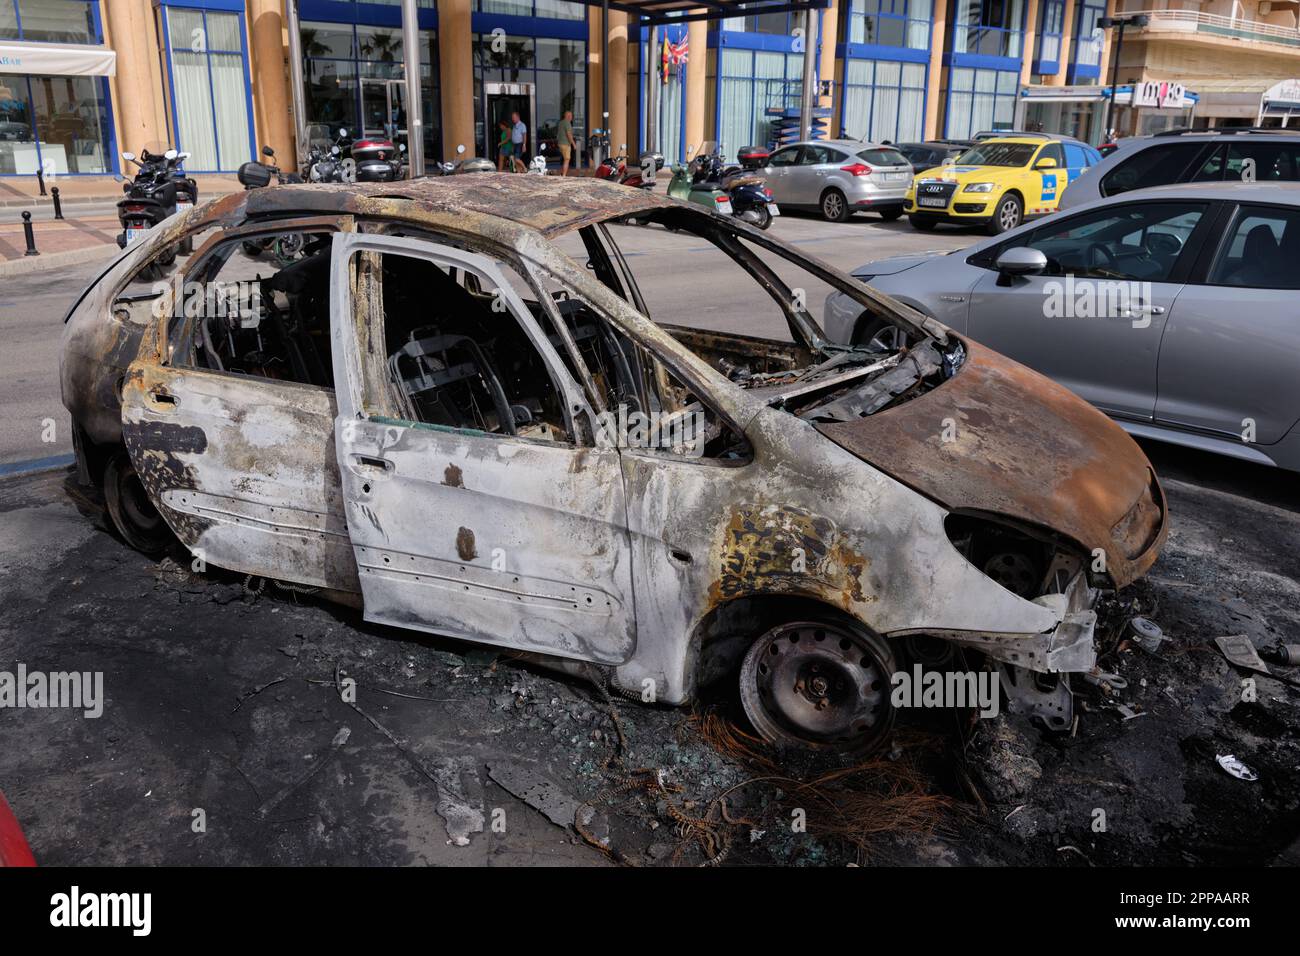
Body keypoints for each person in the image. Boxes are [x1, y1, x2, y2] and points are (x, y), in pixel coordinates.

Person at [557, 109, 578, 176]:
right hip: (565, 144)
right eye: (571, 116)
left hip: (560, 143)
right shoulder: (567, 123)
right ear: (567, 116)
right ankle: (564, 175)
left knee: (564, 159)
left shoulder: (561, 123)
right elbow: (569, 134)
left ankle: (562, 173)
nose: (572, 117)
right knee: (567, 159)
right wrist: (574, 144)